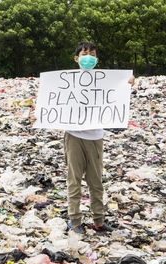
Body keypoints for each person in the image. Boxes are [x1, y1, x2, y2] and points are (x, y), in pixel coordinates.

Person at [32, 42, 134, 234]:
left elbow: (120, 94)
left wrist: (128, 84)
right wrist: (39, 115)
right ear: (76, 58)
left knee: (96, 181)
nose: (88, 57)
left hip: (96, 137)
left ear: (97, 59)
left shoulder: (106, 81)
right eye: (84, 53)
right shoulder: (63, 81)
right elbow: (51, 102)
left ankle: (98, 221)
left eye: (92, 54)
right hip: (74, 136)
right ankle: (75, 221)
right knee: (74, 181)